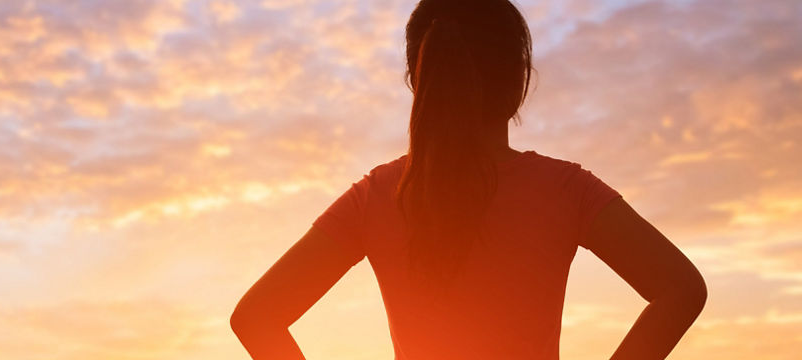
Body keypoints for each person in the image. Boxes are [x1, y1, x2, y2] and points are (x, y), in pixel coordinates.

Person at [229, 0, 708, 359]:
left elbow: (256, 319)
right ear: (519, 77)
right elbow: (681, 289)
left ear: (419, 80)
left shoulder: (377, 196)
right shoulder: (566, 190)